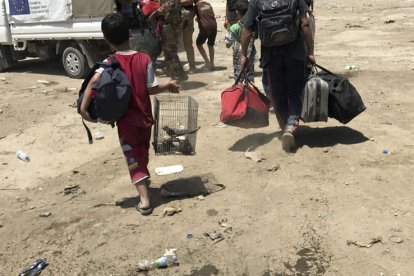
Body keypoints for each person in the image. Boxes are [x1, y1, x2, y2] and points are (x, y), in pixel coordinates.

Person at [79, 12, 180, 215]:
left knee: (132, 157)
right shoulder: (144, 59)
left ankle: (144, 200)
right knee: (141, 152)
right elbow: (151, 88)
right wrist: (168, 85)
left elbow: (91, 84)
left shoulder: (109, 62)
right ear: (129, 33)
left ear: (107, 39)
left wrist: (83, 110)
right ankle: (143, 177)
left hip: (127, 122)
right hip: (146, 119)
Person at [240, 0, 315, 152]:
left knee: (277, 94)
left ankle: (285, 126)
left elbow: (247, 29)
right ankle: (291, 125)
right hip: (295, 52)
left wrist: (243, 54)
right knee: (294, 91)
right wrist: (311, 51)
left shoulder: (257, 1)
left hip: (271, 55)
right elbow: (305, 24)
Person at [149, 0, 187, 81]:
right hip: (170, 27)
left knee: (170, 53)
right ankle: (181, 75)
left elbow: (164, 8)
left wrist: (153, 14)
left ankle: (176, 77)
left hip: (171, 28)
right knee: (170, 51)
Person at [224, 0, 256, 82]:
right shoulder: (253, 25)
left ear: (237, 12)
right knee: (250, 75)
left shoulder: (235, 27)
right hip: (251, 53)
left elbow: (227, 43)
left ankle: (240, 93)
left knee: (238, 76)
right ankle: (250, 93)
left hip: (238, 55)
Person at [194, 0, 217, 70]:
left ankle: (207, 62)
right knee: (210, 44)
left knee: (199, 44)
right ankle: (212, 64)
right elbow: (212, 14)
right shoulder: (208, 4)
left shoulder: (196, 6)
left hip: (205, 27)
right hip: (214, 26)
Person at [180, 0, 197, 72]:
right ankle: (174, 67)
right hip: (174, 17)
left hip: (187, 16)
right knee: (171, 43)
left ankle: (192, 66)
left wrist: (176, 2)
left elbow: (190, 1)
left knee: (188, 43)